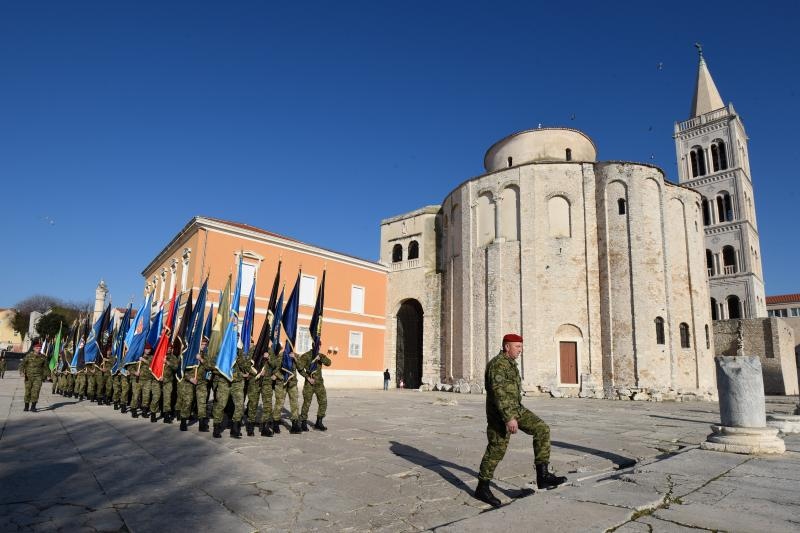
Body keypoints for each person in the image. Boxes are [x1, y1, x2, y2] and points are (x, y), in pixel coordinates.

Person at [475, 333, 567, 508]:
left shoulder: (511, 364)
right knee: (496, 449)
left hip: (517, 409)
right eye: (517, 347)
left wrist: (514, 413)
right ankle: (482, 487)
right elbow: (499, 394)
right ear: (507, 347)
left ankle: (543, 476)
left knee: (542, 429)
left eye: (521, 347)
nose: (520, 350)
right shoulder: (497, 365)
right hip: (500, 415)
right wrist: (509, 418)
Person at [177, 337, 211, 432]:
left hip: (202, 382)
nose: (203, 346)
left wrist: (201, 359)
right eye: (202, 344)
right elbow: (182, 370)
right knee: (188, 401)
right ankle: (183, 422)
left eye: (205, 344)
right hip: (189, 381)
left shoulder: (206, 355)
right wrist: (190, 378)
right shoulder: (189, 353)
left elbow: (210, 367)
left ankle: (202, 424)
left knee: (202, 402)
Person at [297, 346, 333, 431]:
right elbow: (299, 368)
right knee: (307, 403)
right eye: (317, 344)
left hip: (319, 384)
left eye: (319, 345)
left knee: (323, 402)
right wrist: (308, 377)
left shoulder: (320, 355)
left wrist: (321, 358)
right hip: (309, 384)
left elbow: (329, 363)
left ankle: (319, 422)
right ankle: (303, 422)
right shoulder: (306, 355)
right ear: (313, 344)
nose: (318, 346)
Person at [244, 345, 275, 437]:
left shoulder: (270, 351)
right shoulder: (254, 349)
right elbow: (247, 364)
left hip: (267, 381)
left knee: (268, 405)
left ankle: (265, 427)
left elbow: (275, 365)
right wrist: (257, 372)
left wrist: (269, 358)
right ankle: (250, 427)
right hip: (255, 380)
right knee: (253, 404)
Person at [271, 344, 301, 434]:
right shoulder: (281, 356)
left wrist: (295, 358)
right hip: (281, 384)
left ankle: (295, 424)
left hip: (292, 383)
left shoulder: (296, 355)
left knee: (294, 404)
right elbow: (274, 370)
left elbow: (301, 367)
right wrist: (282, 377)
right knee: (279, 403)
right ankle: (275, 423)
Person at [19, 341, 49, 412]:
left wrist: (47, 375)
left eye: (40, 348)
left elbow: (46, 367)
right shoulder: (28, 356)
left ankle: (33, 407)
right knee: (28, 392)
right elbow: (22, 364)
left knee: (36, 391)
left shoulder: (43, 357)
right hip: (28, 377)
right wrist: (22, 372)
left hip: (38, 377)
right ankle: (26, 406)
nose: (38, 349)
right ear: (34, 348)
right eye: (37, 348)